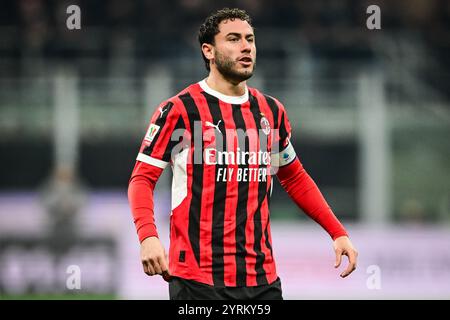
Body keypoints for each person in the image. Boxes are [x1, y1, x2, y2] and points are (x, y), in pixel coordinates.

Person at [128, 8, 358, 300]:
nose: (246, 46)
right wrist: (148, 237)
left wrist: (337, 232)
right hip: (197, 280)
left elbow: (294, 177)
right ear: (208, 51)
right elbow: (141, 179)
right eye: (233, 39)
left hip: (261, 278)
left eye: (250, 39)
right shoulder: (179, 110)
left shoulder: (271, 111)